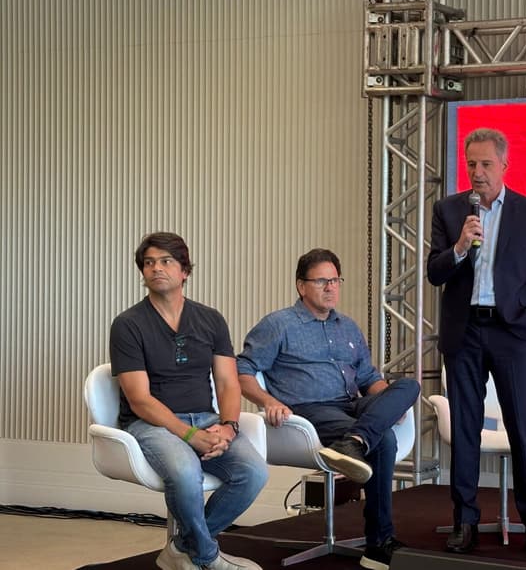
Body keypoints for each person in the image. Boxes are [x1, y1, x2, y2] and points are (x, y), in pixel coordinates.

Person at [236, 248, 420, 570]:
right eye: (321, 281)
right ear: (301, 286)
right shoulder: (279, 324)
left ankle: (355, 441)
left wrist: (390, 404)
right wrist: (268, 401)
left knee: (408, 387)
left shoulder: (347, 327)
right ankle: (379, 544)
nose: (331, 287)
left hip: (353, 405)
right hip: (310, 410)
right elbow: (243, 369)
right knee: (386, 440)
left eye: (335, 280)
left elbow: (369, 378)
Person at [427, 127, 526, 557]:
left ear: (504, 165)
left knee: (522, 427)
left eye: (486, 164)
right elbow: (435, 272)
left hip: (510, 333)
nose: (478, 173)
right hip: (463, 333)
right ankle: (464, 521)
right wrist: (462, 246)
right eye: (471, 165)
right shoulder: (449, 212)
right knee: (465, 430)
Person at [109, 232, 268, 570]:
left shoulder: (210, 319)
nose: (156, 268)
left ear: (185, 271)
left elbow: (227, 382)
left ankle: (183, 547)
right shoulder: (127, 325)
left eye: (166, 261)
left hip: (207, 419)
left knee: (253, 472)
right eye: (149, 263)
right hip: (151, 424)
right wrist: (187, 434)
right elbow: (139, 400)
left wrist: (228, 426)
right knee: (185, 472)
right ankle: (209, 557)